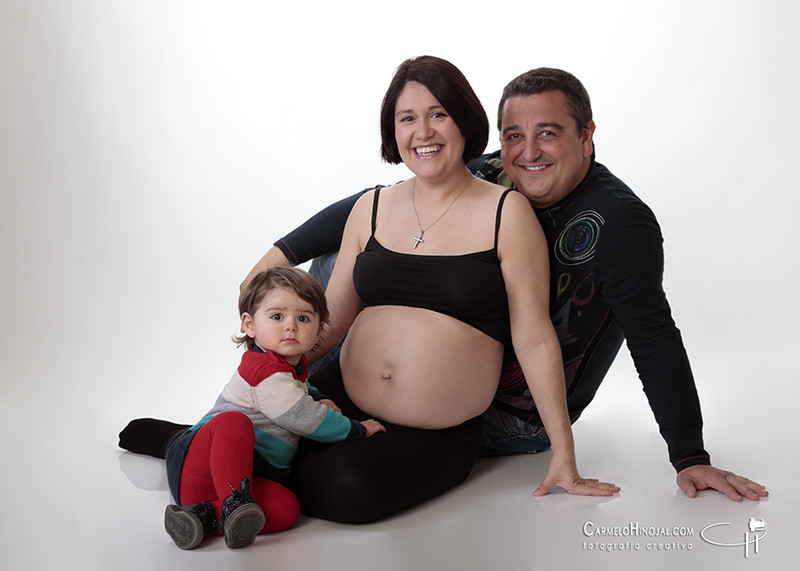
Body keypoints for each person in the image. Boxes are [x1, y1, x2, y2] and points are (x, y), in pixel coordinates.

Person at [120, 56, 618, 525]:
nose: (422, 132)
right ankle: (211, 452)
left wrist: (564, 455)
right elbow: (329, 325)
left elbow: (533, 338)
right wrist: (260, 382)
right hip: (339, 403)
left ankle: (197, 455)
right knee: (269, 440)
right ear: (392, 131)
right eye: (406, 119)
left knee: (347, 488)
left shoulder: (506, 214)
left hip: (437, 431)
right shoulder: (372, 208)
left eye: (437, 114)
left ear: (464, 120)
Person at [239, 67, 768, 503]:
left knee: (334, 477)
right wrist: (280, 254)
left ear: (587, 136)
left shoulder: (619, 225)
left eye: (549, 132)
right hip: (375, 375)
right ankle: (241, 424)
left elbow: (653, 338)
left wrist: (689, 455)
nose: (528, 152)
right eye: (513, 135)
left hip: (508, 411)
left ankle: (261, 456)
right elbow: (378, 202)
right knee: (340, 261)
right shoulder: (496, 171)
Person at [162, 267, 385, 549]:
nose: (291, 325)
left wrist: (317, 396)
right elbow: (303, 417)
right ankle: (232, 505)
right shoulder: (262, 371)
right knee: (234, 423)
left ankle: (204, 517)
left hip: (243, 478)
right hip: (199, 466)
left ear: (318, 331)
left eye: (303, 318)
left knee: (286, 507)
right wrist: (356, 430)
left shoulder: (287, 371)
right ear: (249, 325)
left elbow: (297, 391)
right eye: (277, 316)